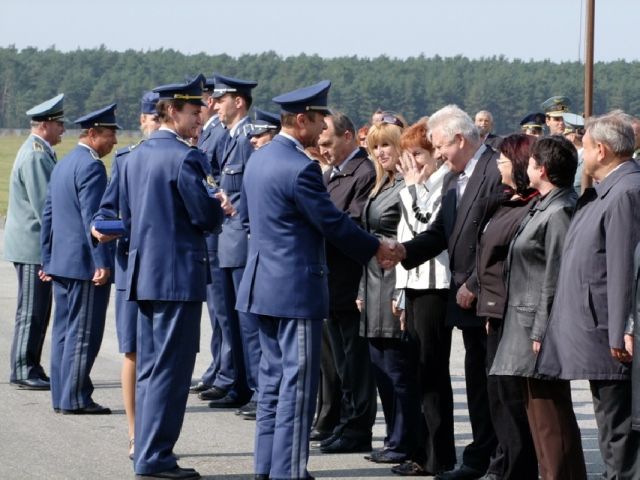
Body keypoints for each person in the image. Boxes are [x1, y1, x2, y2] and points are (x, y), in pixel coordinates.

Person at [235, 80, 394, 480]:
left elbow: (249, 219)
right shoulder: (300, 167)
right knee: (298, 387)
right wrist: (376, 247)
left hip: (261, 286)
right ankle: (288, 471)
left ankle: (267, 466)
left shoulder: (260, 159)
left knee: (272, 383)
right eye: (320, 119)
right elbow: (332, 224)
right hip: (294, 291)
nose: (324, 127)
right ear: (302, 120)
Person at [119, 76, 226, 479]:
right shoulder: (186, 158)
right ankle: (156, 457)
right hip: (177, 278)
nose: (200, 118)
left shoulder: (134, 157)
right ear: (172, 111)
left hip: (145, 276)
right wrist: (218, 206)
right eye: (194, 111)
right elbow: (205, 215)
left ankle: (146, 450)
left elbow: (121, 216)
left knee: (150, 369)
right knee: (171, 371)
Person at [389, 105, 502, 480]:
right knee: (476, 381)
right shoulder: (457, 178)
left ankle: (493, 458)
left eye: (439, 147)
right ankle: (480, 457)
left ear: (459, 139)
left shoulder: (494, 171)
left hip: (485, 294)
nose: (437, 154)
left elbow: (498, 236)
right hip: (465, 298)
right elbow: (440, 232)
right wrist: (403, 252)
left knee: (492, 383)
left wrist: (474, 283)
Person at [536, 112, 640, 479]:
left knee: (619, 433)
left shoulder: (626, 192)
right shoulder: (606, 189)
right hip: (601, 332)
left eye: (587, 144)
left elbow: (625, 267)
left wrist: (621, 329)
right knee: (611, 430)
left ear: (602, 149)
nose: (582, 150)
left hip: (611, 335)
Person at [489, 136, 584, 479]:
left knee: (551, 422)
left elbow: (556, 276)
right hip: (526, 325)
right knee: (540, 420)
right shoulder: (545, 205)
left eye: (530, 163)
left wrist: (543, 330)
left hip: (538, 329)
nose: (525, 168)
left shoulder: (559, 210)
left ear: (541, 170)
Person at [91, 91, 160, 458]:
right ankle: (135, 433)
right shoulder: (125, 160)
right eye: (151, 118)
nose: (155, 124)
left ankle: (158, 435)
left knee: (163, 357)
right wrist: (112, 227)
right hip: (131, 267)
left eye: (160, 117)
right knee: (133, 351)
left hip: (165, 273)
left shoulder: (184, 158)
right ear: (143, 120)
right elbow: (104, 213)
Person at [40, 103, 119, 415]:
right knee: (84, 333)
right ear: (93, 133)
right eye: (110, 134)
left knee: (63, 332)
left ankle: (62, 395)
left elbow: (48, 216)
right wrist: (102, 262)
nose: (114, 141)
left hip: (62, 263)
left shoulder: (64, 164)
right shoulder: (91, 167)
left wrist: (47, 258)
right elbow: (94, 221)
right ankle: (75, 398)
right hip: (85, 266)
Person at [390, 119, 455, 477]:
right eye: (409, 155)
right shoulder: (423, 183)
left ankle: (438, 455)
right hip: (415, 285)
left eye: (419, 154)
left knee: (432, 371)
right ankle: (422, 449)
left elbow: (422, 231)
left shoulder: (444, 183)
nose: (412, 163)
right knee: (419, 371)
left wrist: (411, 189)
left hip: (436, 286)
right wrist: (400, 292)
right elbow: (404, 239)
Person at [475, 134, 540, 480]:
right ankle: (504, 462)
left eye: (503, 159)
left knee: (511, 396)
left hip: (513, 310)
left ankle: (517, 468)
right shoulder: (504, 201)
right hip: (494, 308)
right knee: (497, 393)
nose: (497, 163)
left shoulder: (530, 206)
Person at [315, 111, 377, 454]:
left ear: (349, 136)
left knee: (355, 362)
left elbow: (352, 224)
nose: (323, 150)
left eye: (329, 142)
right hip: (332, 283)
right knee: (341, 364)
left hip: (351, 281)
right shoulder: (333, 174)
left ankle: (358, 427)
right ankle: (344, 422)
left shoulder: (362, 173)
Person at [203, 74, 260, 415]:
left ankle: (256, 389)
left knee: (247, 323)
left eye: (221, 100)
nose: (215, 106)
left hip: (241, 241)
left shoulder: (248, 138)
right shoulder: (229, 138)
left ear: (238, 102)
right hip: (227, 239)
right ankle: (239, 384)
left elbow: (251, 191)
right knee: (231, 320)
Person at [5, 94, 65, 391]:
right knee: (32, 309)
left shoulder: (40, 151)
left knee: (39, 309)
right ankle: (22, 367)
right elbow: (45, 208)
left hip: (33, 244)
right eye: (59, 124)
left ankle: (32, 364)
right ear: (45, 125)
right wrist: (55, 247)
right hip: (32, 246)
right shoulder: (36, 155)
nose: (63, 129)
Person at [563, 113, 585, 193]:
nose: (564, 138)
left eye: (566, 135)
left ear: (572, 137)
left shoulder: (584, 158)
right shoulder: (574, 156)